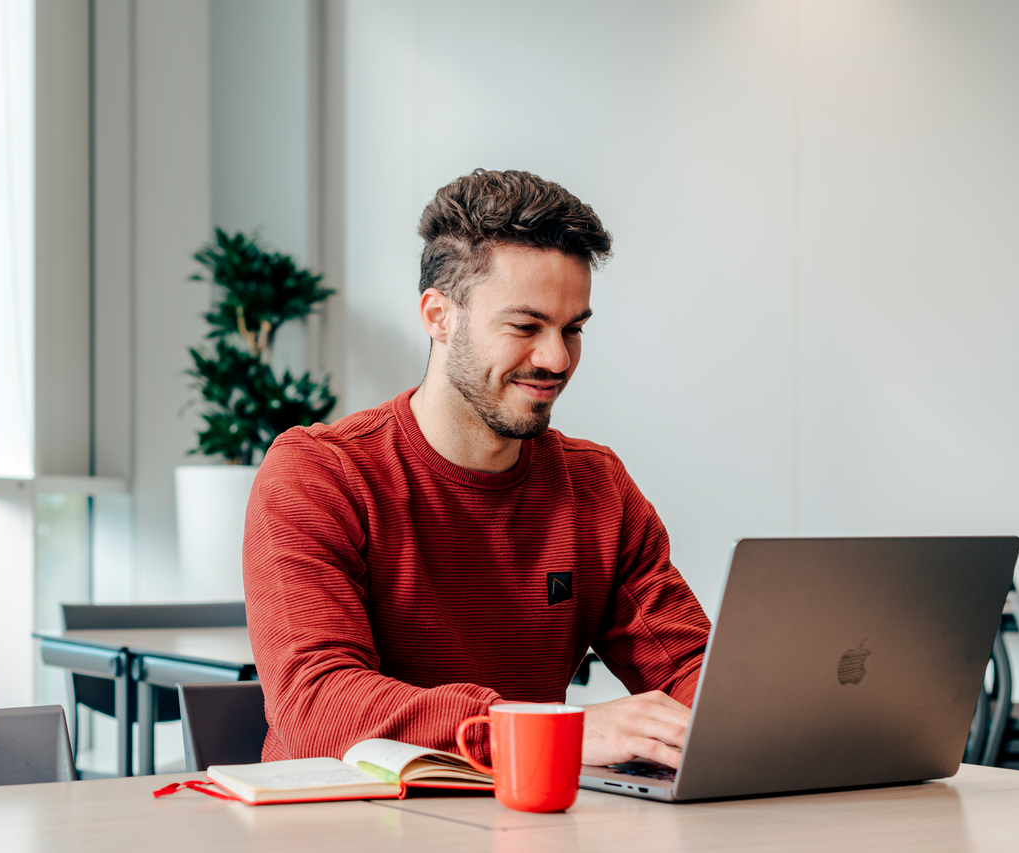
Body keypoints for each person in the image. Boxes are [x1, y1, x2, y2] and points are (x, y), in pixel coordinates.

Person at [242, 169, 711, 770]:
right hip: (349, 822)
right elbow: (319, 708)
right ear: (439, 316)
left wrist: (755, 719)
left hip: (522, 821)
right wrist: (550, 729)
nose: (556, 359)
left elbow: (688, 667)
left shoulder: (596, 488)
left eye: (573, 330)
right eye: (525, 326)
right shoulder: (319, 474)